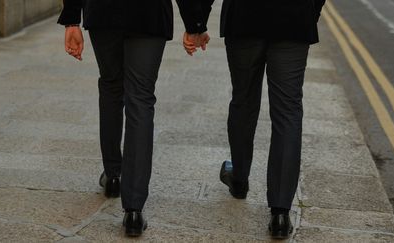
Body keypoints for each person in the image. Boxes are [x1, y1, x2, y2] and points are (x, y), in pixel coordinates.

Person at [57, 0, 211, 237]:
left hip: (104, 13)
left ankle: (112, 174)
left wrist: (71, 19)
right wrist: (195, 24)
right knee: (140, 100)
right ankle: (134, 209)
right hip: (148, 14)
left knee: (110, 87)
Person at [184, 0, 326, 239]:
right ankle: (280, 212)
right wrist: (309, 11)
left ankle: (239, 179)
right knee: (288, 113)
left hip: (244, 16)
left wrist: (196, 22)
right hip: (294, 18)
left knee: (243, 101)